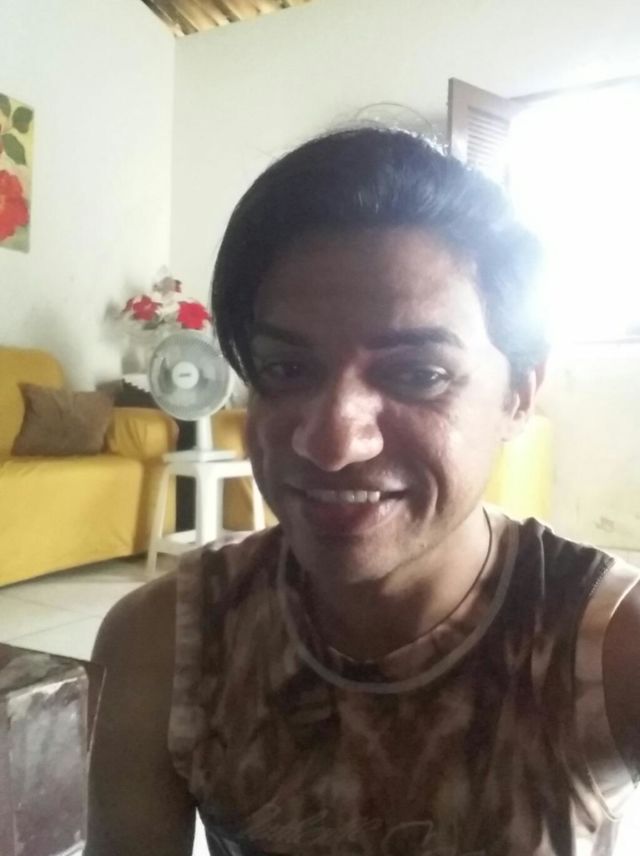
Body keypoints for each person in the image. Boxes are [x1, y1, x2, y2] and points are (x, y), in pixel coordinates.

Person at [86, 128, 640, 856]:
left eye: (418, 374)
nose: (332, 442)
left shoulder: (604, 649)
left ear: (518, 395)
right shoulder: (168, 644)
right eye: (287, 369)